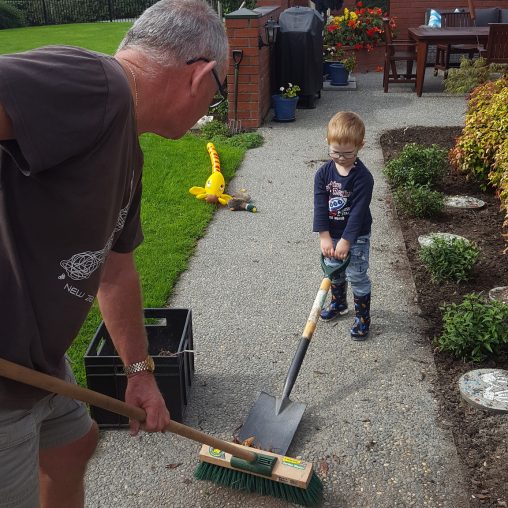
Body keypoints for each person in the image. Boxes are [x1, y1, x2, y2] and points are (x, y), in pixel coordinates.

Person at [0, 0, 228, 506]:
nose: (210, 107)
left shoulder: (127, 147)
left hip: (38, 364)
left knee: (73, 445)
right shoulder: (100, 85)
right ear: (201, 76)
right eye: (218, 93)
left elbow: (115, 269)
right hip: (4, 381)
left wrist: (139, 372)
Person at [313, 111, 374, 340]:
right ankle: (339, 303)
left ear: (360, 146)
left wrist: (347, 241)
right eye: (335, 152)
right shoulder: (323, 174)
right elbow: (320, 206)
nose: (340, 157)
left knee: (356, 275)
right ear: (328, 143)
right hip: (332, 234)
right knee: (334, 273)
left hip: (356, 236)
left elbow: (358, 213)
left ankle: (363, 318)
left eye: (348, 153)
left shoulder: (363, 178)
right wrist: (324, 237)